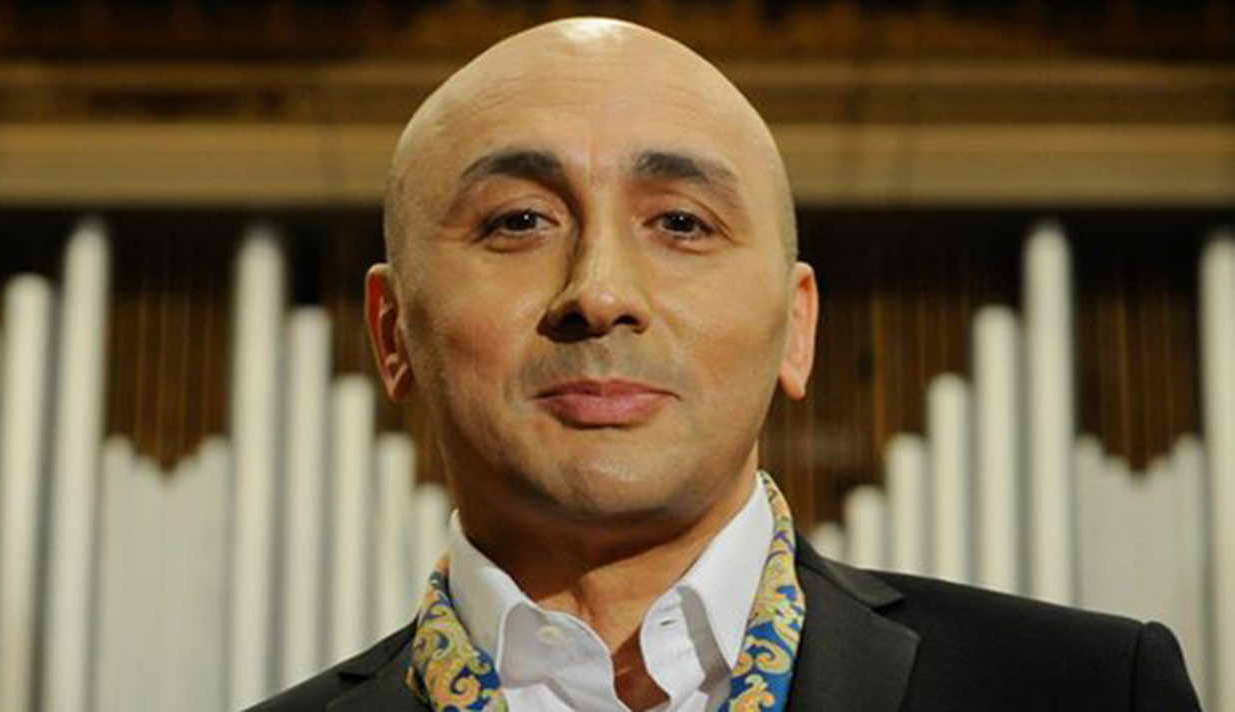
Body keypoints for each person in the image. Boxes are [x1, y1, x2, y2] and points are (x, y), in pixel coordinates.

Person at [251, 17, 1200, 712]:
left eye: (681, 222)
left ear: (796, 329)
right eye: (519, 221)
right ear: (392, 333)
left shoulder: (1087, 691)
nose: (600, 292)